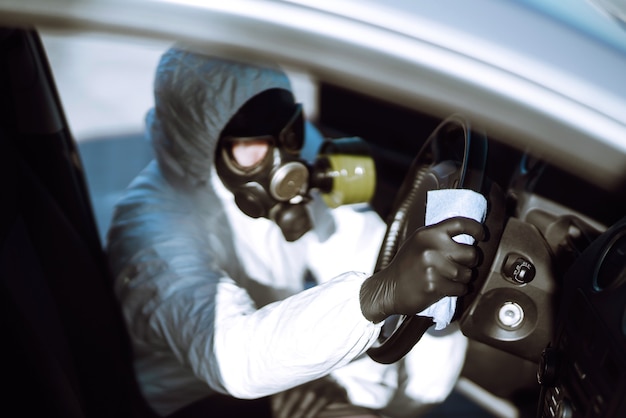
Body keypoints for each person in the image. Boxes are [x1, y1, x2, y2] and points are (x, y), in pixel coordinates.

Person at [106, 47, 484, 418]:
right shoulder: (151, 230)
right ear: (202, 146)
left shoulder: (294, 146)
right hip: (202, 396)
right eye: (250, 146)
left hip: (283, 362)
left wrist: (424, 349)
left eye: (288, 131)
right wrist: (376, 297)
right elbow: (231, 358)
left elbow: (364, 250)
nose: (286, 164)